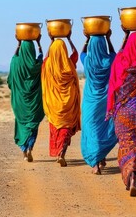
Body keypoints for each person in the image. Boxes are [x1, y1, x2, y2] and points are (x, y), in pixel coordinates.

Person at [106, 24, 136, 196]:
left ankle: (131, 176)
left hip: (123, 114)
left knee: (126, 143)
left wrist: (125, 36)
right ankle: (135, 177)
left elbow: (120, 54)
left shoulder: (121, 63)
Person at [41, 31, 81, 167]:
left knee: (56, 129)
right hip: (68, 102)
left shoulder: (47, 65)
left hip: (53, 103)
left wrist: (51, 41)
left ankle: (58, 152)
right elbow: (76, 54)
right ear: (64, 50)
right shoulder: (69, 64)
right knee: (66, 128)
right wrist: (69, 39)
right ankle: (62, 153)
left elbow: (46, 57)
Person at [80, 30, 117, 175]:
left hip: (90, 101)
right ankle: (101, 156)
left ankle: (95, 163)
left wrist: (87, 39)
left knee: (92, 128)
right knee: (104, 126)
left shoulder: (88, 61)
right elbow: (114, 54)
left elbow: (82, 54)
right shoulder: (109, 61)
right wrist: (108, 39)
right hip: (106, 99)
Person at [7, 34, 45, 162]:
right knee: (33, 125)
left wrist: (18, 44)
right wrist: (39, 44)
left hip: (19, 103)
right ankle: (30, 148)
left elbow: (14, 57)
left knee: (21, 125)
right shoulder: (38, 65)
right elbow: (42, 56)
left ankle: (24, 151)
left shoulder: (15, 63)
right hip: (34, 102)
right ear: (32, 51)